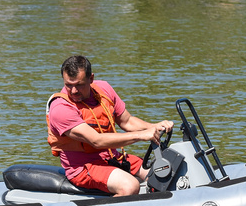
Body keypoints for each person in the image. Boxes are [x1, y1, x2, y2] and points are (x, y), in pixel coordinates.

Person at [47, 55, 175, 197]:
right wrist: (141, 135)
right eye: (68, 85)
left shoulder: (104, 90)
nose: (74, 91)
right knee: (130, 186)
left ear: (91, 79)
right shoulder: (60, 108)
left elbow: (127, 121)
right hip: (83, 168)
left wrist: (154, 127)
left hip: (112, 158)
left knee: (163, 175)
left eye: (79, 85)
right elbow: (96, 140)